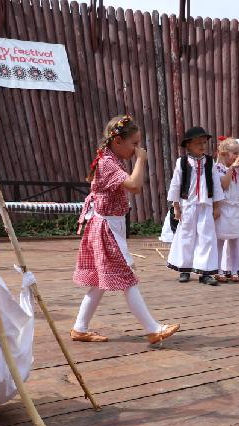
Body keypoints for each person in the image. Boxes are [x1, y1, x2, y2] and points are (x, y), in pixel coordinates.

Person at [72, 115, 179, 344]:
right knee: (127, 278)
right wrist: (141, 160)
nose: (137, 148)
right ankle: (153, 329)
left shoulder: (111, 159)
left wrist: (136, 156)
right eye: (134, 143)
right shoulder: (108, 162)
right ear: (118, 141)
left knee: (101, 282)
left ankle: (80, 328)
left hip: (109, 225)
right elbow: (135, 186)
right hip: (106, 228)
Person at [167, 126, 224, 285]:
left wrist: (217, 206)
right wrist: (176, 207)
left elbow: (217, 184)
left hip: (205, 205)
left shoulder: (210, 162)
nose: (202, 146)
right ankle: (184, 268)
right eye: (198, 143)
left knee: (206, 237)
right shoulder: (182, 162)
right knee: (186, 236)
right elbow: (175, 185)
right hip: (188, 205)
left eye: (204, 143)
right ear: (188, 146)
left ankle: (204, 271)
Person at [215, 138, 239, 282]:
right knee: (220, 240)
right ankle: (218, 269)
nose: (238, 156)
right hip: (224, 207)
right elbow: (223, 185)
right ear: (224, 154)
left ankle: (234, 270)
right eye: (234, 153)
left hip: (236, 207)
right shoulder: (217, 167)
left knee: (236, 240)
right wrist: (231, 169)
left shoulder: (238, 169)